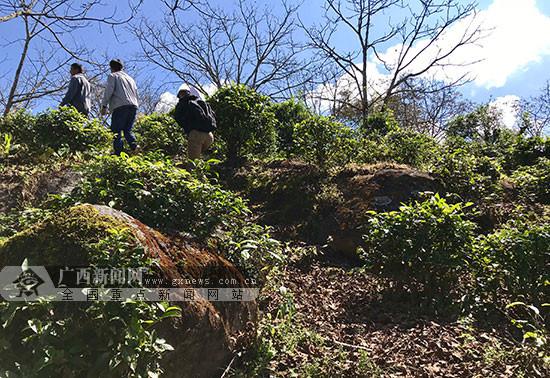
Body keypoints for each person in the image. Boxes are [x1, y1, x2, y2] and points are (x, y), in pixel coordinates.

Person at [100, 59, 139, 155]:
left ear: (111, 68)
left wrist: (104, 105)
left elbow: (109, 90)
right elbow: (136, 93)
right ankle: (135, 147)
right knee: (127, 130)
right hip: (133, 106)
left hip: (120, 106)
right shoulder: (130, 79)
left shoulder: (113, 76)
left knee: (116, 131)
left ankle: (118, 153)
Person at [173, 84, 216, 160]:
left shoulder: (183, 102)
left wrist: (187, 127)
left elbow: (177, 117)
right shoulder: (201, 102)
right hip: (210, 136)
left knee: (192, 163)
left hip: (196, 134)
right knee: (200, 158)